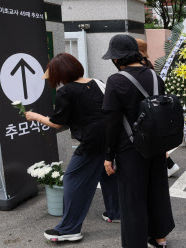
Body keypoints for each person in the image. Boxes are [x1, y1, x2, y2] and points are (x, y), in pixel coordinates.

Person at [27, 53, 121, 242]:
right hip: (112, 137)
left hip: (92, 141)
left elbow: (57, 122)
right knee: (107, 173)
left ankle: (69, 229)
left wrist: (34, 116)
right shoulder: (98, 82)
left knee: (73, 180)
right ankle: (116, 212)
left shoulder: (66, 91)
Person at [102, 34, 175, 248]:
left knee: (132, 199)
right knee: (157, 192)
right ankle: (159, 238)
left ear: (117, 59)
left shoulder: (116, 81)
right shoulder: (154, 76)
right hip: (156, 146)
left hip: (130, 148)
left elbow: (112, 123)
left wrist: (108, 156)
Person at [136, 38, 180, 177]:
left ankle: (170, 165)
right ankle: (170, 165)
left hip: (147, 111)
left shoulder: (141, 68)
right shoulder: (149, 66)